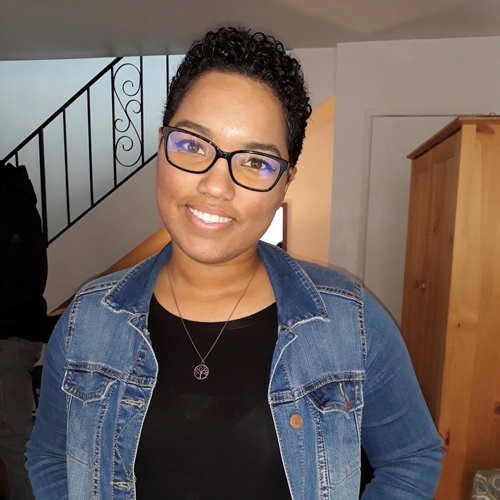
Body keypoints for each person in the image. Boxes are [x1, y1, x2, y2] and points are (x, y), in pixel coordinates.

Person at [25, 27, 444, 499]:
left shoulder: (351, 322)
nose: (216, 186)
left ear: (285, 182)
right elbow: (48, 456)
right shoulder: (87, 321)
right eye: (192, 145)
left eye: (256, 162)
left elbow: (412, 458)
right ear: (161, 146)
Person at [0, 162, 47, 500]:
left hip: (9, 337)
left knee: (16, 442)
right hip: (12, 334)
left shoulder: (9, 200)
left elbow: (25, 279)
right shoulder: (13, 196)